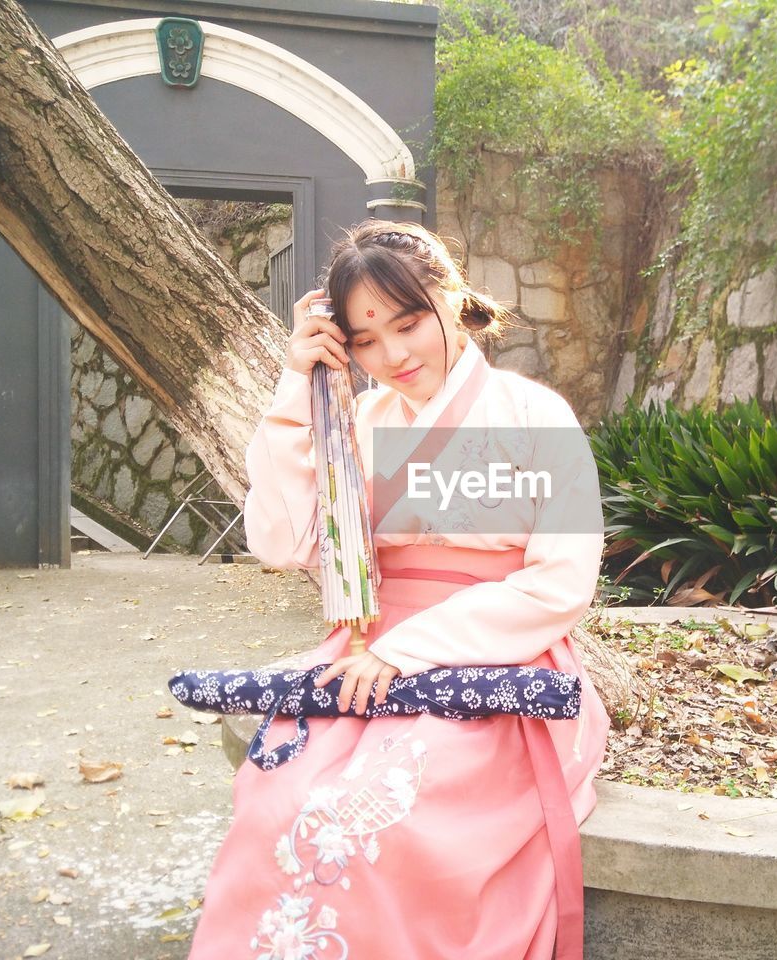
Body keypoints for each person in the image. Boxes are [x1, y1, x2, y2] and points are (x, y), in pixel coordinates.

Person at [186, 220, 609, 960]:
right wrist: (298, 388)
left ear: (452, 297)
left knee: (380, 815)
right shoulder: (358, 421)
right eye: (365, 342)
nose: (393, 357)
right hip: (363, 655)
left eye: (408, 324)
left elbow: (559, 582)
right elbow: (282, 544)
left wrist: (411, 650)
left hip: (493, 665)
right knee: (278, 804)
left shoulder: (532, 415)